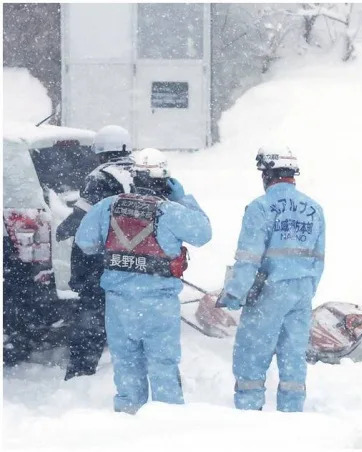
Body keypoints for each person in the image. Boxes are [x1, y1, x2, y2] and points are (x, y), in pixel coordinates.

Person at [75, 148, 211, 413]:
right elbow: (203, 234)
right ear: (164, 180)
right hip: (158, 305)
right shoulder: (170, 211)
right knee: (163, 366)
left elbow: (85, 242)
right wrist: (184, 199)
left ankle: (129, 421)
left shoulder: (108, 206)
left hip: (119, 305)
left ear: (134, 177)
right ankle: (166, 426)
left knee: (126, 365)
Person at [218, 144, 325, 412]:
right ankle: (291, 415)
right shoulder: (314, 208)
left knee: (251, 356)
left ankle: (249, 414)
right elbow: (318, 259)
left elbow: (248, 257)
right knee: (293, 357)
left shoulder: (260, 207)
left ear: (267, 174)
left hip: (268, 291)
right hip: (301, 293)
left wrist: (234, 293)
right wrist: (307, 290)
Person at [57, 125, 135, 380]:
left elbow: (81, 216)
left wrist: (61, 230)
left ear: (101, 150)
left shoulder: (100, 177)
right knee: (126, 315)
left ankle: (81, 373)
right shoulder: (140, 173)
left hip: (99, 261)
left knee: (90, 315)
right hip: (133, 260)